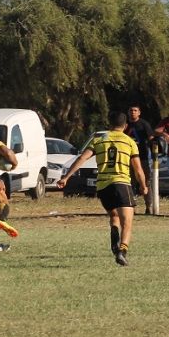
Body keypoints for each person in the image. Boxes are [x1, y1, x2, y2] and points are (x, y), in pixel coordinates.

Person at [57, 111, 148, 266]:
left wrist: (66, 177)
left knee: (114, 216)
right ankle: (122, 251)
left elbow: (82, 158)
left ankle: (114, 240)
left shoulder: (99, 140)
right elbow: (138, 169)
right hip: (121, 183)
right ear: (125, 126)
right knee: (127, 221)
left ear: (109, 124)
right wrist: (143, 186)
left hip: (103, 186)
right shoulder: (129, 142)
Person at [125, 103, 154, 213]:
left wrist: (155, 154)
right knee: (129, 182)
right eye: (131, 110)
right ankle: (132, 206)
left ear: (139, 112)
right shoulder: (125, 125)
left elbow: (151, 139)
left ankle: (148, 206)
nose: (133, 112)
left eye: (135, 110)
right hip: (127, 158)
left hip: (142, 157)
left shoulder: (144, 124)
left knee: (146, 182)